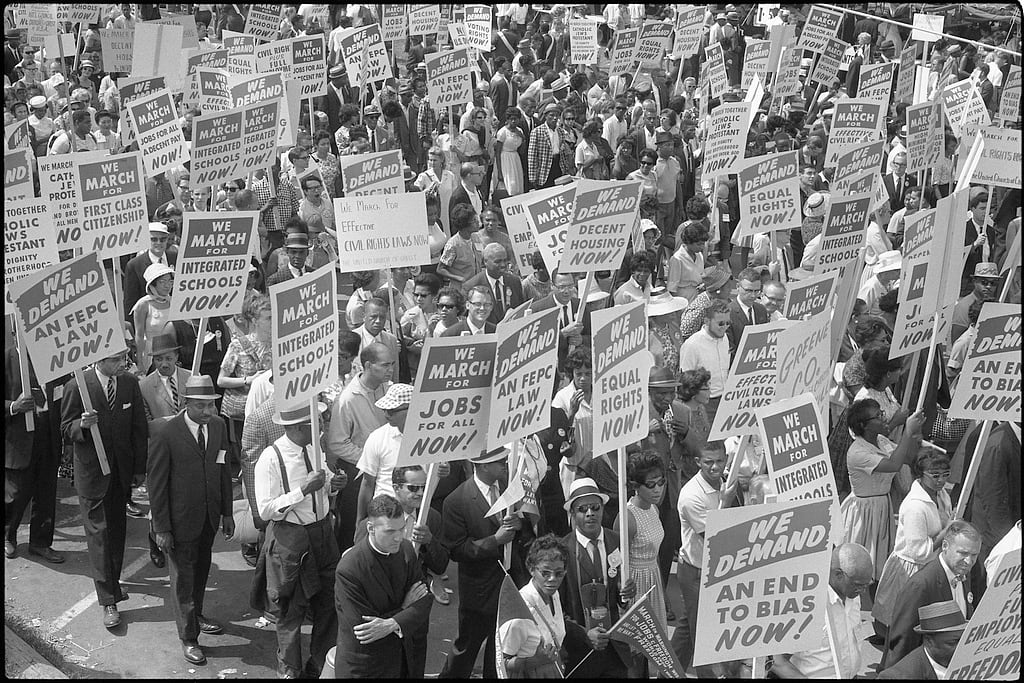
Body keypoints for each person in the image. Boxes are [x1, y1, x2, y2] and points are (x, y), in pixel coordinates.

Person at [253, 402, 344, 679]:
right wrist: (302, 490)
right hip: (291, 540)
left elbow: (324, 484)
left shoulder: (314, 449)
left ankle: (320, 661)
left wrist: (333, 485)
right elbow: (266, 509)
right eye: (314, 424)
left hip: (324, 535)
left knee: (329, 600)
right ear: (296, 428)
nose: (320, 428)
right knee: (291, 607)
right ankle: (289, 668)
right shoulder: (271, 458)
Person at [60, 350, 148, 628]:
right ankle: (108, 599)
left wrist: (138, 469)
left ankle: (113, 580)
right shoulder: (78, 385)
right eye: (114, 360)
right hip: (92, 474)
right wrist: (81, 426)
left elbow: (138, 427)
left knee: (117, 530)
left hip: (121, 473)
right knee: (98, 534)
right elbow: (64, 428)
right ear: (99, 359)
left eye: (123, 358)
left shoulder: (129, 383)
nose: (121, 364)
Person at [148, 375, 233, 664]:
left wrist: (228, 513)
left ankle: (196, 615)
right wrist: (161, 527)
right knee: (183, 578)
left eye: (212, 405)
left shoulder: (219, 427)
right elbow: (156, 485)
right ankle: (189, 637)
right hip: (179, 522)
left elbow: (223, 470)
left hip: (208, 519)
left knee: (200, 570)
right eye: (202, 407)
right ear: (187, 404)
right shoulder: (166, 433)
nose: (209, 412)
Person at [439, 446, 533, 678]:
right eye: (499, 461)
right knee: (466, 648)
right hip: (478, 590)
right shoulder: (456, 500)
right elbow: (457, 549)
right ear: (482, 466)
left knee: (501, 650)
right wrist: (495, 540)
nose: (505, 464)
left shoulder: (512, 491)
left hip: (510, 584)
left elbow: (527, 536)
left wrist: (520, 527)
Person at [333, 494, 433, 678]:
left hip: (402, 661)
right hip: (366, 667)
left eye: (401, 529)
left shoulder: (406, 550)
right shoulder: (350, 569)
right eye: (389, 531)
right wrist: (403, 609)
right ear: (370, 528)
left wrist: (391, 623)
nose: (398, 537)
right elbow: (365, 631)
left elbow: (424, 600)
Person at [559, 477, 638, 678]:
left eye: (595, 507)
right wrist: (585, 634)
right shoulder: (563, 551)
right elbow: (557, 609)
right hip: (579, 651)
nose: (590, 513)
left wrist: (626, 594)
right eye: (582, 509)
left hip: (614, 647)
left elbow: (621, 596)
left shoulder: (617, 541)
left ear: (602, 508)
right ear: (572, 514)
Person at [840, 399, 925, 581]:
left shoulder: (881, 441)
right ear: (864, 425)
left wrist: (914, 434)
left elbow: (907, 457)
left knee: (879, 563)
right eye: (878, 416)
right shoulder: (858, 453)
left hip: (882, 505)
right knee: (860, 564)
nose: (883, 418)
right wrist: (907, 432)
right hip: (864, 512)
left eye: (881, 413)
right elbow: (894, 464)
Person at [672, 445, 739, 676]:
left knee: (688, 627)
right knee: (703, 634)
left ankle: (668, 671)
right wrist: (726, 502)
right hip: (696, 572)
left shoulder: (725, 482)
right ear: (698, 461)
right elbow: (715, 536)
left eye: (719, 461)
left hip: (713, 568)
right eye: (708, 462)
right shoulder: (691, 496)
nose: (715, 467)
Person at [873, 448, 953, 639]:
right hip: (911, 570)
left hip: (932, 567)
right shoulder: (914, 506)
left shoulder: (942, 495)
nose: (941, 480)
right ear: (921, 474)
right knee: (901, 626)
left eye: (945, 475)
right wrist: (947, 531)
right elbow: (918, 552)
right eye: (935, 475)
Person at [881, 520, 982, 669]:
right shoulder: (920, 585)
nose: (969, 561)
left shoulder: (964, 572)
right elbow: (902, 643)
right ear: (945, 546)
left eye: (974, 555)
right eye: (963, 553)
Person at [771, 543, 875, 678]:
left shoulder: (853, 595)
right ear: (838, 574)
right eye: (859, 585)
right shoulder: (806, 604)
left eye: (867, 584)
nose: (863, 591)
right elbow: (777, 661)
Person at [325, 342, 391, 554]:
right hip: (357, 473)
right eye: (385, 365)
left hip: (385, 469)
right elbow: (337, 442)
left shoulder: (388, 389)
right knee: (354, 526)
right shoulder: (347, 399)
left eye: (392, 364)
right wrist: (370, 459)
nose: (390, 369)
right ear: (369, 365)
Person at [4, 347, 64, 563]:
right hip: (20, 439)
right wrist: (13, 406)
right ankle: (7, 535)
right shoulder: (8, 358)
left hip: (48, 435)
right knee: (15, 493)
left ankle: (40, 543)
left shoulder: (55, 355)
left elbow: (64, 393)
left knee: (46, 493)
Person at [498, 534, 569, 678]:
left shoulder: (554, 594)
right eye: (545, 573)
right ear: (531, 569)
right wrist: (534, 661)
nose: (552, 579)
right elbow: (502, 662)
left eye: (559, 573)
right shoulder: (520, 612)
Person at [614, 451, 668, 636]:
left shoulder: (654, 509)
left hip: (654, 579)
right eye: (651, 485)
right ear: (636, 486)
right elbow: (617, 563)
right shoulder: (627, 518)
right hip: (635, 584)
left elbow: (656, 554)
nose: (657, 489)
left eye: (661, 483)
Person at [355, 383, 413, 521]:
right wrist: (360, 520)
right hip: (383, 517)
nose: (386, 414)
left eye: (392, 410)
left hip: (417, 515)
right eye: (385, 409)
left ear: (411, 409)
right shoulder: (377, 437)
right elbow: (368, 483)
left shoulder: (430, 438)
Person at [877, 600, 967, 679]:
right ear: (929, 641)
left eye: (964, 640)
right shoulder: (898, 676)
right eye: (952, 643)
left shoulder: (968, 662)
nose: (961, 648)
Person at [678, 300, 731, 428]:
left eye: (728, 323)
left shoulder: (725, 338)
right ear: (707, 321)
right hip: (705, 405)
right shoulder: (692, 345)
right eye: (720, 323)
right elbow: (686, 381)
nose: (724, 327)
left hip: (726, 401)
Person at [123, 222, 176, 320]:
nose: (158, 243)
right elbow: (130, 301)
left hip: (174, 318)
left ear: (167, 239)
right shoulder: (134, 265)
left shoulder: (176, 257)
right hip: (148, 321)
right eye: (154, 239)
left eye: (162, 239)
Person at [463, 243, 525, 324]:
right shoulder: (471, 286)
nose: (503, 265)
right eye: (498, 261)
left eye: (505, 260)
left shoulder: (515, 282)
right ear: (485, 262)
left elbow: (521, 308)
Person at [131, 263, 174, 376]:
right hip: (151, 352)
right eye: (162, 282)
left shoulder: (174, 302)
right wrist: (139, 361)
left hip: (172, 351)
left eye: (170, 281)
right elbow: (139, 335)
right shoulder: (143, 304)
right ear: (153, 284)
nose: (167, 285)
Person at [351, 298, 400, 382]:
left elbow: (395, 372)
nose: (378, 321)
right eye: (373, 317)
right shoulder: (353, 338)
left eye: (382, 317)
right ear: (364, 316)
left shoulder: (391, 340)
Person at [727, 267, 770, 358]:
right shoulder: (728, 314)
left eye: (756, 291)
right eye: (748, 291)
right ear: (738, 287)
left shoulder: (761, 310)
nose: (753, 295)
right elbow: (729, 350)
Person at [437, 204, 484, 286]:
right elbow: (441, 269)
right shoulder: (453, 245)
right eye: (474, 220)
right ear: (465, 225)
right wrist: (458, 278)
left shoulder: (476, 238)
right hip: (460, 288)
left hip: (476, 286)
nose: (477, 223)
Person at [493, 107, 526, 196]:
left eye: (516, 119)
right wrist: (499, 172)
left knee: (517, 186)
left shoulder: (520, 131)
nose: (514, 121)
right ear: (507, 120)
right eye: (512, 119)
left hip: (515, 159)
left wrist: (522, 138)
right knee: (510, 185)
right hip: (505, 160)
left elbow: (522, 151)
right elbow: (498, 152)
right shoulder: (502, 132)